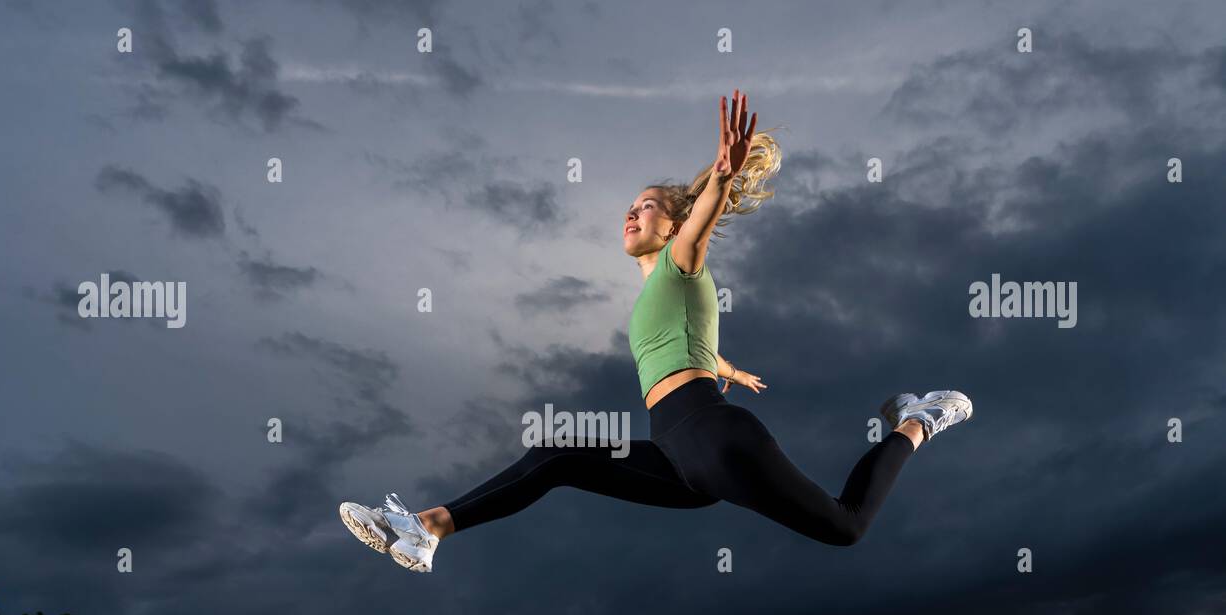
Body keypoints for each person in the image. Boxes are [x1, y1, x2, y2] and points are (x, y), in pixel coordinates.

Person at [341, 90, 971, 573]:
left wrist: (721, 178)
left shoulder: (681, 261)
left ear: (672, 227)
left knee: (845, 527)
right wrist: (725, 366)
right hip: (675, 456)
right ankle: (426, 529)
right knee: (558, 454)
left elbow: (700, 227)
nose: (630, 212)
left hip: (714, 438)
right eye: (630, 204)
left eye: (645, 206)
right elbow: (684, 343)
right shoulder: (657, 294)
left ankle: (918, 420)